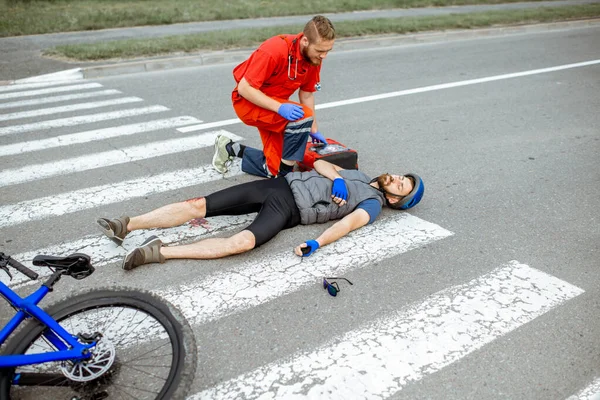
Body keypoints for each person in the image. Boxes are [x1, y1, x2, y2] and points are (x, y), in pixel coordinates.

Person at [97, 160, 425, 270]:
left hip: (288, 211)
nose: (397, 179)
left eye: (402, 186)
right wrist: (338, 177)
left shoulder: (371, 204)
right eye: (400, 177)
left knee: (240, 243)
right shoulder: (357, 174)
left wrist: (317, 243)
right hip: (278, 186)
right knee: (200, 205)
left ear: (396, 201)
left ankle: (157, 251)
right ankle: (127, 224)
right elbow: (321, 165)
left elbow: (347, 224)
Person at [212, 15, 336, 178]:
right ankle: (284, 178)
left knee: (273, 168)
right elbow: (244, 88)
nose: (324, 56)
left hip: (275, 108)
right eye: (320, 50)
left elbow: (306, 94)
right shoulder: (274, 49)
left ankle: (228, 148)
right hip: (249, 103)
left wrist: (313, 129)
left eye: (328, 51)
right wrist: (280, 108)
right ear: (305, 41)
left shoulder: (312, 59)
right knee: (302, 117)